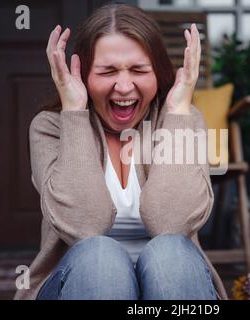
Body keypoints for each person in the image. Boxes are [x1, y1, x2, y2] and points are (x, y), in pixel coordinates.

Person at [14, 3, 227, 300]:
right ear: (84, 75)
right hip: (82, 286)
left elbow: (172, 225)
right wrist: (74, 111)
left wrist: (178, 111)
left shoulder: (184, 120)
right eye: (107, 71)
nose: (124, 86)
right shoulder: (50, 128)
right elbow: (84, 227)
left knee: (170, 252)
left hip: (171, 288)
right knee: (100, 257)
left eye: (139, 70)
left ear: (158, 73)